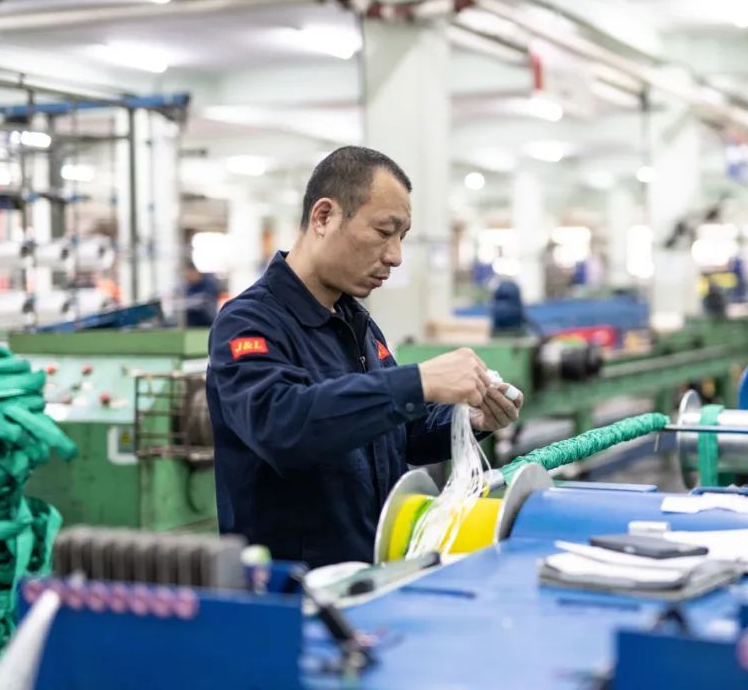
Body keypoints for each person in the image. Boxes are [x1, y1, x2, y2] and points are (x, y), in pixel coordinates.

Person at [206, 146, 523, 568]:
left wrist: (469, 419)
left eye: (401, 238)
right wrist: (418, 381)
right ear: (324, 217)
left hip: (371, 575)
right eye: (384, 231)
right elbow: (281, 425)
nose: (395, 256)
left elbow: (400, 432)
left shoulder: (356, 323)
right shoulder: (249, 322)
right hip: (295, 587)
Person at [183, 261, 221, 327]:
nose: (189, 277)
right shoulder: (189, 287)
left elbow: (205, 299)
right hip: (192, 323)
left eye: (190, 274)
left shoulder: (208, 283)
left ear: (196, 272)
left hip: (208, 319)